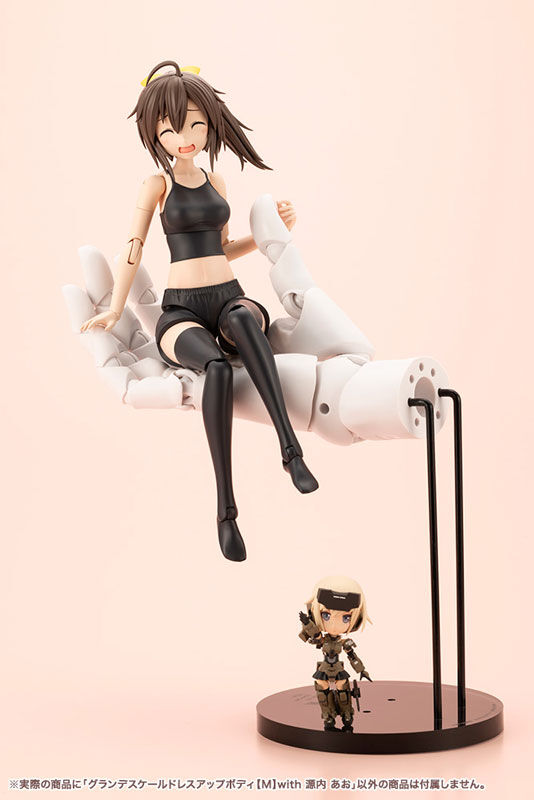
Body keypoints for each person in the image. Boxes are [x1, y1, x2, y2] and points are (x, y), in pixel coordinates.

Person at [81, 60, 318, 563]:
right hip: (181, 310)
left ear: (209, 123)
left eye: (195, 125)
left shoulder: (217, 181)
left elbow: (223, 248)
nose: (185, 138)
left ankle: (290, 451)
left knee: (243, 319)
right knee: (216, 368)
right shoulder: (156, 185)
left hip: (228, 297)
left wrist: (273, 232)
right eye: (170, 130)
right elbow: (133, 247)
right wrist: (116, 308)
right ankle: (226, 511)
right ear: (155, 135)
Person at [299, 575, 372, 731]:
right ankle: (328, 715)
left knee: (343, 692)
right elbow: (316, 636)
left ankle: (347, 714)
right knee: (321, 691)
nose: (333, 624)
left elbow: (352, 656)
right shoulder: (323, 640)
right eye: (326, 615)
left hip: (338, 669)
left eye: (346, 618)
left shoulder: (344, 643)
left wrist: (361, 670)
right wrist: (307, 624)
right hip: (324, 669)